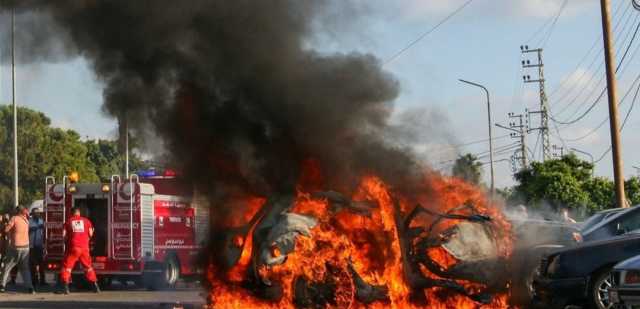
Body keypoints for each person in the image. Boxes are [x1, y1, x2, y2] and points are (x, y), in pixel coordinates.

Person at [59, 207, 100, 294]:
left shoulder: (68, 222)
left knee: (67, 267)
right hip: (84, 248)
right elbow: (91, 233)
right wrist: (86, 239)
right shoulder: (87, 221)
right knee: (88, 267)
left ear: (71, 213)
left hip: (73, 248)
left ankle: (66, 288)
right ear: (79, 213)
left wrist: (67, 240)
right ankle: (95, 286)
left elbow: (64, 236)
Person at [0, 206, 34, 293]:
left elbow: (6, 230)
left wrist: (5, 224)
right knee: (25, 269)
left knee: (7, 267)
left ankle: (2, 286)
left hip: (15, 247)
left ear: (16, 211)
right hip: (25, 248)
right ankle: (30, 287)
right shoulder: (26, 220)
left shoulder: (14, 218)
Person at [29, 207, 46, 286]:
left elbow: (44, 232)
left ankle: (42, 280)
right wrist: (34, 228)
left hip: (39, 245)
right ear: (32, 214)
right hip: (32, 246)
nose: (37, 214)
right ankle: (34, 280)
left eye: (38, 213)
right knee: (33, 264)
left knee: (41, 263)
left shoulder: (41, 221)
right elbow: (27, 230)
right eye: (35, 213)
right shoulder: (29, 221)